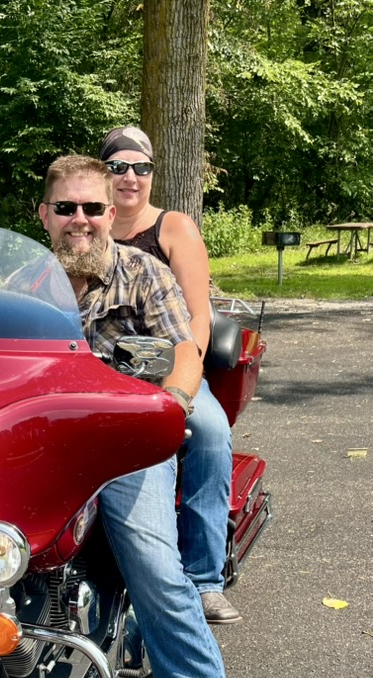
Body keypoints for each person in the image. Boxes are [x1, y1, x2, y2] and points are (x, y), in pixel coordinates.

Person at [37, 154, 237, 678]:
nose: (81, 221)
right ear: (45, 215)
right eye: (66, 208)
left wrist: (173, 403)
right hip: (38, 444)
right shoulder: (21, 282)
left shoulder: (143, 273)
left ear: (111, 215)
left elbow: (184, 351)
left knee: (153, 560)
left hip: (124, 440)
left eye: (93, 208)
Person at [99, 125, 241, 626]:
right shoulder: (87, 224)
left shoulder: (173, 227)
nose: (131, 177)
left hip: (169, 366)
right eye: (118, 167)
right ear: (103, 174)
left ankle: (203, 579)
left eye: (142, 168)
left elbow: (198, 316)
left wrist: (184, 376)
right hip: (97, 372)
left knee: (208, 432)